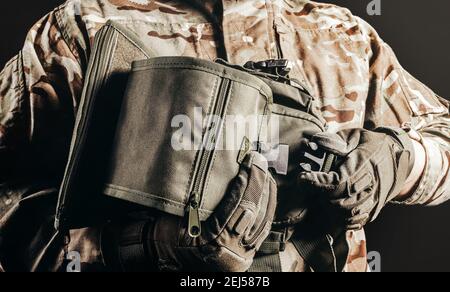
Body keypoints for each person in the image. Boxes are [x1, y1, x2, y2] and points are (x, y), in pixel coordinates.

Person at [0, 0, 448, 272]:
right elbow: (9, 205)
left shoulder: (343, 36)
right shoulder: (82, 29)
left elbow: (442, 136)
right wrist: (141, 247)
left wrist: (399, 159)